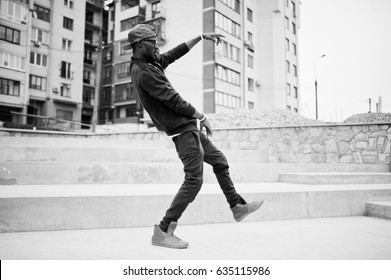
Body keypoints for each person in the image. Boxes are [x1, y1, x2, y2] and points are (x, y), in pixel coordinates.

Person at [125, 24, 263, 249]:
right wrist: (202, 116)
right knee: (194, 180)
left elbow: (173, 54)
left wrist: (200, 37)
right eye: (153, 41)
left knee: (219, 160)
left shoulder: (150, 63)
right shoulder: (144, 71)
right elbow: (173, 100)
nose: (157, 45)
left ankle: (237, 206)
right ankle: (162, 231)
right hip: (182, 129)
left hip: (187, 127)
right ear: (140, 44)